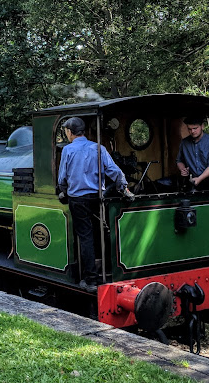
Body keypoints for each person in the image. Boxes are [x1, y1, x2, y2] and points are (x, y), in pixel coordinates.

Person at [57, 117, 135, 293]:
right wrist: (124, 188)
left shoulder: (68, 150)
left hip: (78, 200)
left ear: (70, 132)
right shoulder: (98, 148)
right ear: (83, 132)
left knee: (86, 238)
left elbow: (62, 178)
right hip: (97, 198)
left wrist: (63, 190)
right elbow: (114, 171)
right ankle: (111, 270)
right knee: (102, 232)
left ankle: (90, 280)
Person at [176, 116, 209, 190]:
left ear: (202, 126)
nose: (192, 131)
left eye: (195, 128)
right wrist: (183, 169)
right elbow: (179, 160)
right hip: (192, 181)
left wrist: (199, 179)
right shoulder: (184, 143)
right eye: (189, 129)